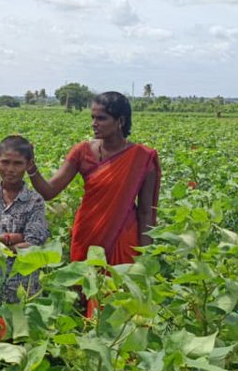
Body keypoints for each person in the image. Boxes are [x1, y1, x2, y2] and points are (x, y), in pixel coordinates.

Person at [28, 91, 160, 265]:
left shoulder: (142, 157)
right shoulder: (81, 152)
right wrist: (31, 167)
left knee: (120, 288)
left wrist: (146, 257)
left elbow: (146, 212)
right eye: (92, 117)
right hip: (87, 232)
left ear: (120, 121)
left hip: (123, 235)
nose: (94, 124)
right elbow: (49, 191)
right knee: (85, 283)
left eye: (101, 118)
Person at [0, 136, 50, 307]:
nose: (10, 169)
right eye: (5, 162)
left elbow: (34, 243)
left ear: (28, 165)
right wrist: (16, 238)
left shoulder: (35, 201)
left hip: (23, 292)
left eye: (18, 163)